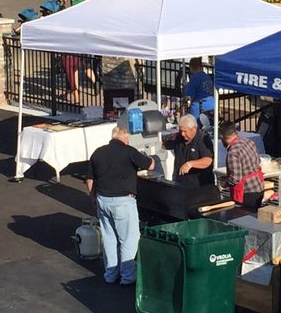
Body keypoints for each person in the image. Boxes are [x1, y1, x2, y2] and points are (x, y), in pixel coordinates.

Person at [86, 126, 155, 285]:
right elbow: (149, 165)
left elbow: (89, 178)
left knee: (109, 238)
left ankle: (110, 274)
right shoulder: (128, 151)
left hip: (103, 200)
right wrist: (152, 157)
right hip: (123, 201)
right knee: (128, 239)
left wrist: (92, 197)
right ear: (124, 138)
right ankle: (128, 276)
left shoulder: (98, 152)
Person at [218, 121, 271, 209]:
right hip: (258, 186)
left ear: (222, 137)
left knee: (243, 220)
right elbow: (257, 161)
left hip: (246, 192)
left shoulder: (233, 152)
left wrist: (223, 184)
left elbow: (235, 178)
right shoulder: (249, 142)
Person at [172, 114, 214, 186]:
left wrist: (190, 164)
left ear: (194, 129)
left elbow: (208, 160)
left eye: (185, 131)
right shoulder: (179, 137)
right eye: (181, 130)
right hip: (180, 184)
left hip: (199, 186)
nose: (182, 134)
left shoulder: (203, 139)